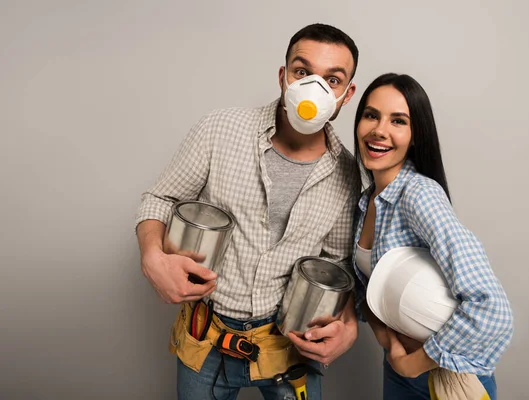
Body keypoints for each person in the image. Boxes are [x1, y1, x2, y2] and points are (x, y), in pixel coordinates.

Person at [135, 23, 361, 400]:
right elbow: (160, 199)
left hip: (290, 348)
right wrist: (151, 256)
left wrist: (348, 324)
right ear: (283, 77)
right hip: (206, 339)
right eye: (302, 72)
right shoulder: (220, 129)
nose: (314, 90)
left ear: (347, 94)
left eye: (333, 80)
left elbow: (337, 265)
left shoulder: (348, 174)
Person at [352, 73, 514, 400]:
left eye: (398, 121)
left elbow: (491, 308)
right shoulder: (367, 199)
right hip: (400, 371)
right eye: (371, 115)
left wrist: (414, 364)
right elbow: (368, 283)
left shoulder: (419, 195)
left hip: (449, 378)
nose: (379, 130)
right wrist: (388, 340)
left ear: (415, 136)